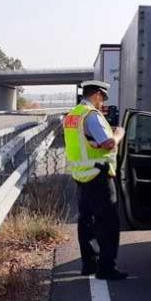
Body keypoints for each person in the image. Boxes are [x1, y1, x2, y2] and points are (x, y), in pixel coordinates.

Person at [63, 80, 127, 280]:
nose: (103, 103)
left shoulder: (73, 115)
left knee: (86, 221)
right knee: (108, 222)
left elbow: (85, 142)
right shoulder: (92, 116)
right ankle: (106, 268)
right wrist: (118, 134)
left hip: (81, 175)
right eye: (103, 98)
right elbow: (107, 143)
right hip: (99, 176)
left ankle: (89, 264)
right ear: (98, 94)